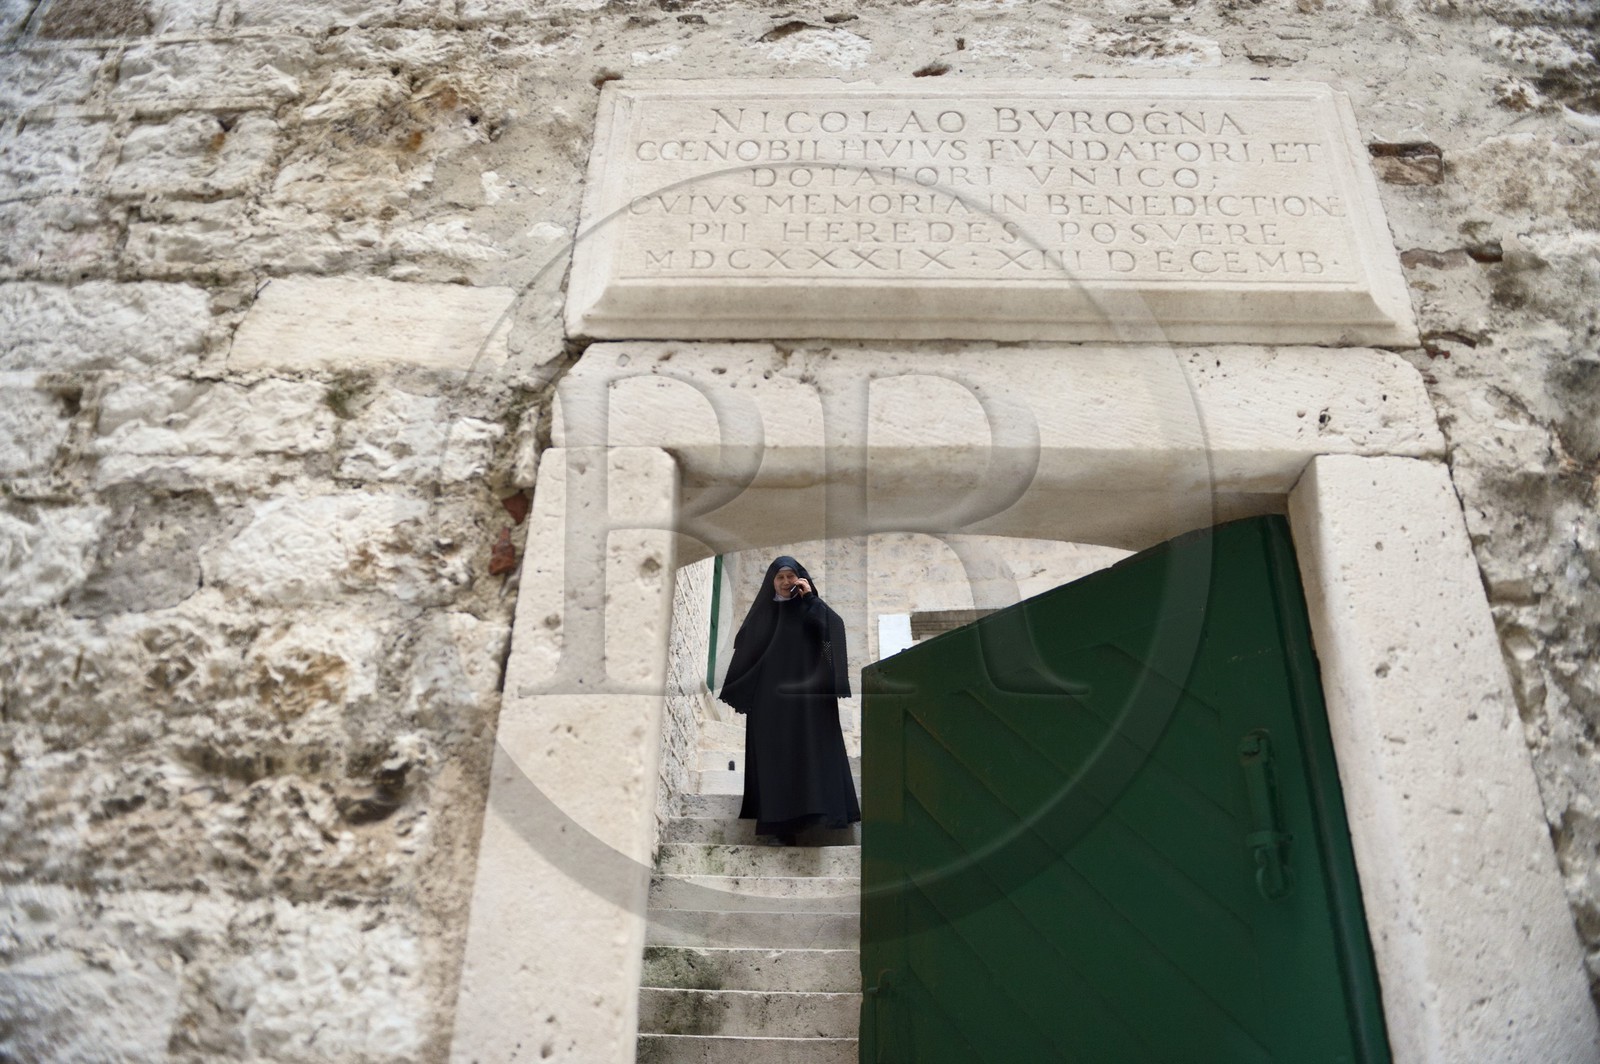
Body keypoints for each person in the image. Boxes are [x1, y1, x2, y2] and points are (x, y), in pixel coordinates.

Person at [719, 556, 861, 845]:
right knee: (776, 759)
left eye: (790, 577)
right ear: (772, 581)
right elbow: (746, 653)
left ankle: (817, 816)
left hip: (807, 702)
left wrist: (812, 602)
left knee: (809, 752)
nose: (786, 582)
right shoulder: (762, 615)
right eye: (780, 577)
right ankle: (779, 825)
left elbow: (829, 643)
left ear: (801, 579)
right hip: (770, 703)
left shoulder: (811, 611)